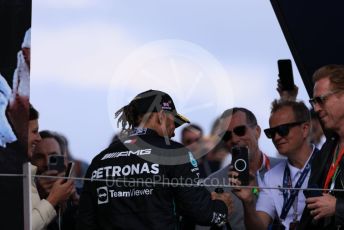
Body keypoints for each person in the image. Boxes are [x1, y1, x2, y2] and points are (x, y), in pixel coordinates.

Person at [77, 89, 232, 230]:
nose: (173, 132)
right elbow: (202, 213)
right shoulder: (174, 153)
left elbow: (85, 222)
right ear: (161, 116)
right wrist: (221, 206)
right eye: (173, 122)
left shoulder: (100, 159)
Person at [231, 100, 317, 230]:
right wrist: (247, 202)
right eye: (271, 133)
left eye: (283, 130)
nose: (276, 137)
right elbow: (259, 227)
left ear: (305, 129)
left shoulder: (329, 164)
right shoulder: (271, 177)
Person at [203, 107, 281, 230]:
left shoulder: (284, 167)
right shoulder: (211, 184)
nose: (234, 139)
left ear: (257, 131)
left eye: (240, 131)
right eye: (227, 136)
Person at [298, 64, 344, 229]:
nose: (316, 108)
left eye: (321, 100)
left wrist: (337, 208)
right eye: (313, 102)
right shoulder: (328, 148)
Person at [29, 106, 74, 230]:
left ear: (64, 160)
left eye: (53, 157)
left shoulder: (77, 193)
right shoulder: (25, 195)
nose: (47, 163)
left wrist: (75, 201)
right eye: (39, 157)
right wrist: (38, 194)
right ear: (31, 160)